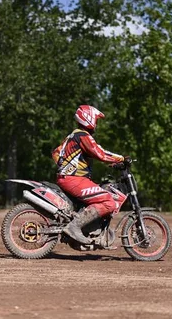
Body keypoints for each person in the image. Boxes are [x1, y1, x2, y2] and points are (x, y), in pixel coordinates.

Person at [51, 105, 125, 244]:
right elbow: (100, 154)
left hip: (68, 178)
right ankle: (74, 227)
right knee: (108, 201)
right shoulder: (83, 135)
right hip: (74, 179)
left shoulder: (73, 135)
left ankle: (85, 226)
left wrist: (64, 168)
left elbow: (55, 153)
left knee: (100, 192)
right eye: (96, 120)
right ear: (88, 118)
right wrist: (121, 158)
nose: (96, 124)